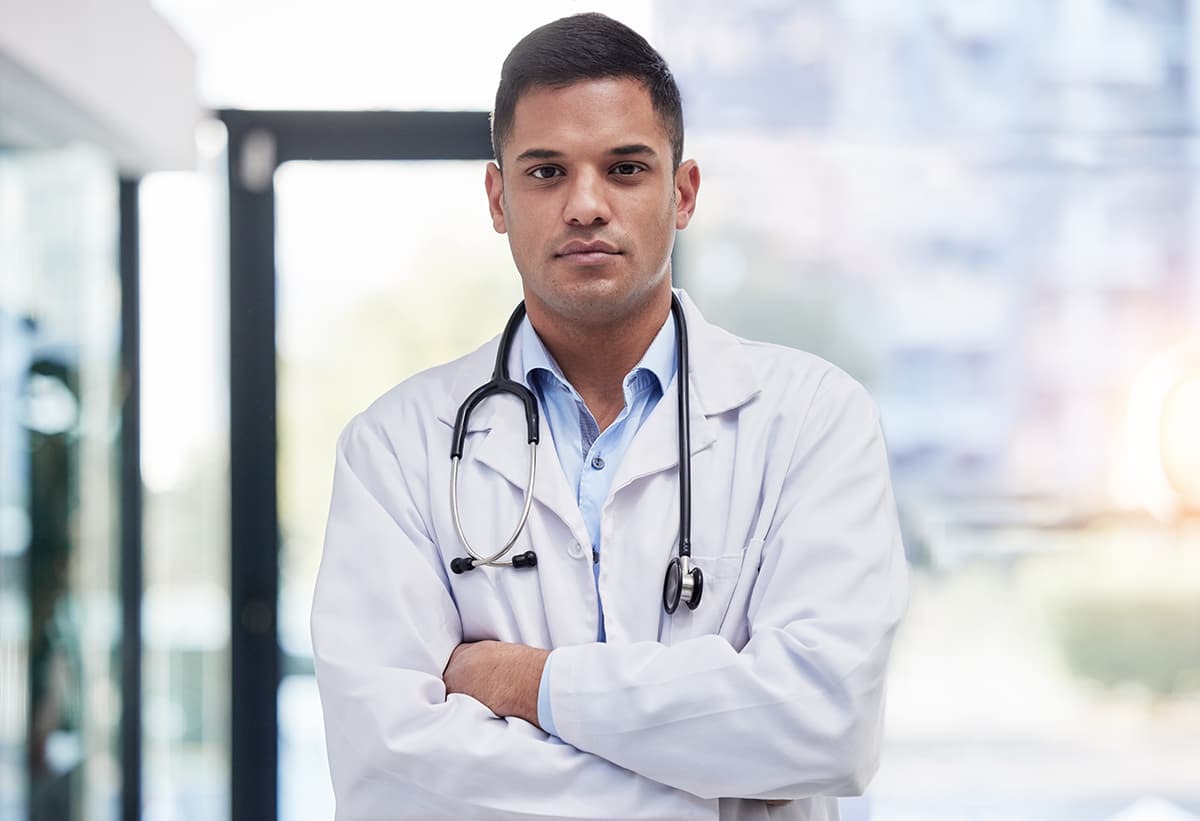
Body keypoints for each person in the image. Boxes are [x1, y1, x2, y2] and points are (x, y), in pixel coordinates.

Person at [311, 12, 907, 821]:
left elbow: (826, 724)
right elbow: (393, 778)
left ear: (682, 191)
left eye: (625, 168)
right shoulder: (394, 449)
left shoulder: (811, 419)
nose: (586, 204)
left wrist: (524, 680)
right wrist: (720, 793)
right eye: (546, 172)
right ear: (498, 198)